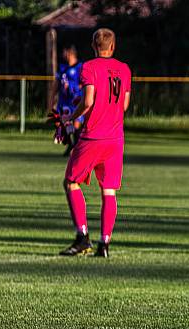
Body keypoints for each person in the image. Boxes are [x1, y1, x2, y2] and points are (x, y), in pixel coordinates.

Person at [59, 28, 131, 259]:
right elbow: (124, 105)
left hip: (93, 136)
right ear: (113, 46)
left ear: (93, 45)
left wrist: (71, 117)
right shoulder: (124, 69)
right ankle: (105, 244)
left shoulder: (88, 67)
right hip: (115, 138)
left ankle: (82, 238)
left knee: (71, 182)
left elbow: (88, 100)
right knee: (108, 191)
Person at [51, 45, 84, 155]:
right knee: (64, 125)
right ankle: (71, 145)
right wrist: (52, 100)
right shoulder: (62, 68)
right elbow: (56, 85)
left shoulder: (80, 67)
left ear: (70, 53)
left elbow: (83, 84)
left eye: (65, 52)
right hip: (64, 102)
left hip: (76, 101)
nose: (63, 54)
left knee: (76, 125)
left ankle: (76, 148)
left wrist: (71, 87)